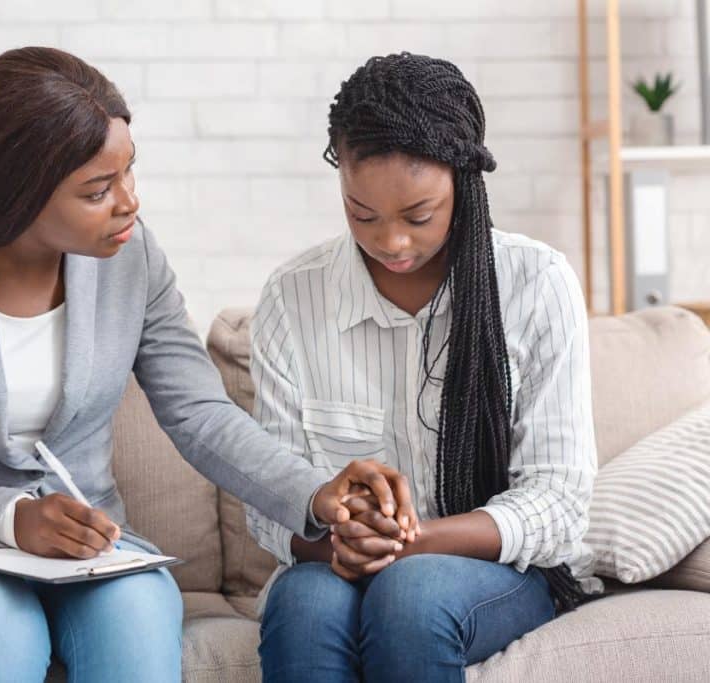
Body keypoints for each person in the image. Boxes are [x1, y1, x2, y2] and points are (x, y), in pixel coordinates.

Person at [0, 47, 402, 683]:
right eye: (97, 191)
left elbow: (200, 413)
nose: (128, 203)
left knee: (136, 618)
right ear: (15, 192)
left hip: (91, 555)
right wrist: (10, 520)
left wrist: (314, 492)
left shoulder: (131, 261)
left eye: (128, 174)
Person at [247, 53, 601, 683]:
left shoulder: (535, 284)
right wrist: (334, 540)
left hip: (496, 575)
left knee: (411, 596)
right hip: (333, 561)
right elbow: (268, 498)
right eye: (363, 214)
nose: (392, 243)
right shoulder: (291, 298)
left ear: (465, 182)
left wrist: (413, 540)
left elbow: (559, 501)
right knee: (303, 604)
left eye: (418, 215)